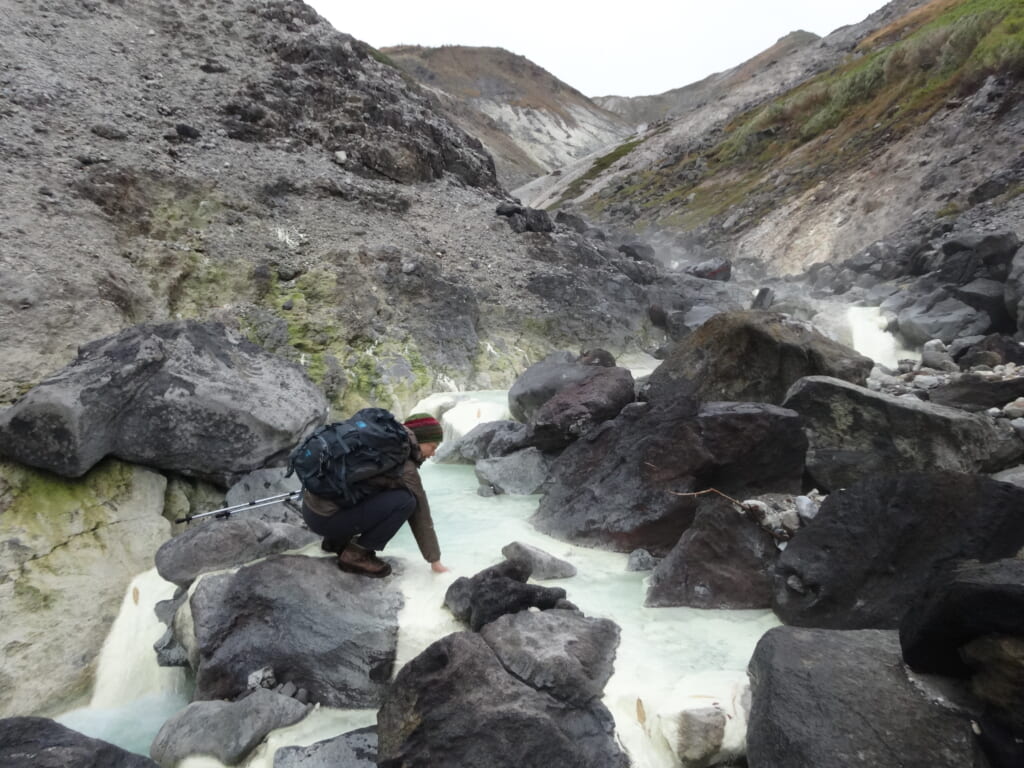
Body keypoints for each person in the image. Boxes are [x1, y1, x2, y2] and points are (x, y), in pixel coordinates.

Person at [300, 412, 449, 578]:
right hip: (326, 520)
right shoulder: (403, 465)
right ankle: (356, 555)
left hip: (311, 510)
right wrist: (435, 561)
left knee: (378, 488)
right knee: (406, 501)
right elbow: (420, 515)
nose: (433, 453)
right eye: (433, 446)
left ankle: (335, 542)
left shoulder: (378, 442)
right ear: (420, 440)